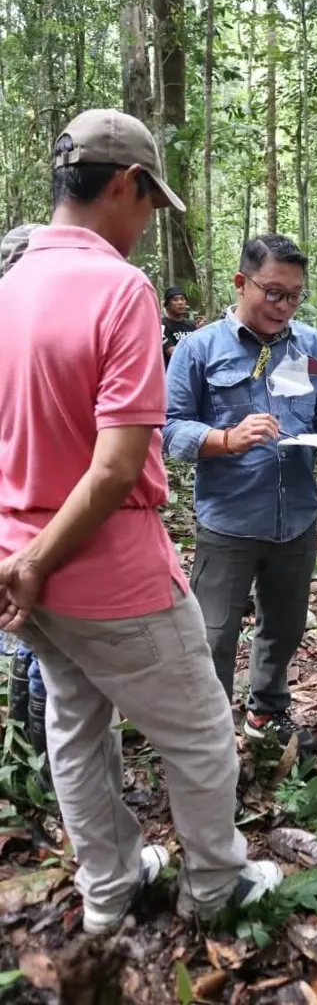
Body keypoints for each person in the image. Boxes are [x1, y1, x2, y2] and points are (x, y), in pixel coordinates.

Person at [0, 109, 281, 935]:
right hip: (107, 572)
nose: (149, 222)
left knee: (75, 721)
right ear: (122, 185)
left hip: (27, 568)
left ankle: (110, 888)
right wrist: (40, 562)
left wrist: (20, 563)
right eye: (150, 203)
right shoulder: (121, 287)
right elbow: (119, 462)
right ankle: (215, 885)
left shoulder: (8, 285)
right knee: (198, 730)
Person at [164, 232, 317, 751]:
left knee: (285, 625)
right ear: (241, 282)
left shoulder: (310, 346)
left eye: (294, 295)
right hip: (228, 519)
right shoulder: (197, 348)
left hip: (295, 517)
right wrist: (225, 439)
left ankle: (265, 714)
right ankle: (209, 736)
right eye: (273, 292)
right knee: (213, 635)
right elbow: (168, 428)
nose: (283, 305)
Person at [0, 226, 49, 766]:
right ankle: (46, 769)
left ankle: (27, 760)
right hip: (31, 505)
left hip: (20, 506)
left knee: (27, 638)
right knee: (44, 648)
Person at [162, 286, 197, 366]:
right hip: (171, 373)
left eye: (182, 299)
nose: (180, 302)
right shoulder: (162, 325)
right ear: (167, 305)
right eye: (175, 300)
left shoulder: (191, 325)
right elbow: (172, 352)